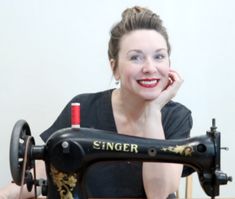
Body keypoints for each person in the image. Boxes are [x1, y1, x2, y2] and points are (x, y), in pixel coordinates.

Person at [0, 6, 193, 199]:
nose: (150, 67)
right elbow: (42, 170)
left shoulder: (176, 118)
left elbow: (159, 195)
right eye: (136, 57)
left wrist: (153, 111)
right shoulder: (83, 108)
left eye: (159, 56)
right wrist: (5, 195)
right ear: (114, 67)